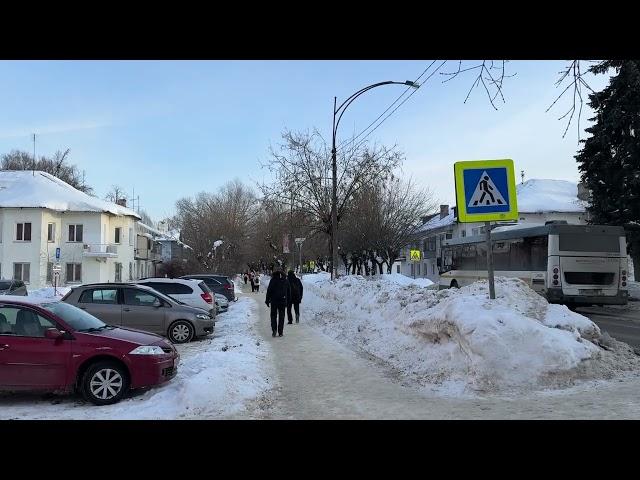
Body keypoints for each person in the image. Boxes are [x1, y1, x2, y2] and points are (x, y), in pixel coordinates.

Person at [265, 270, 290, 337]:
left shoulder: (273, 280)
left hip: (274, 301)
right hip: (282, 300)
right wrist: (288, 301)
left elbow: (269, 290)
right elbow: (288, 291)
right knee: (282, 316)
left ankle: (274, 330)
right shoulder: (285, 280)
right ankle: (280, 332)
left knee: (273, 315)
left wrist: (267, 300)